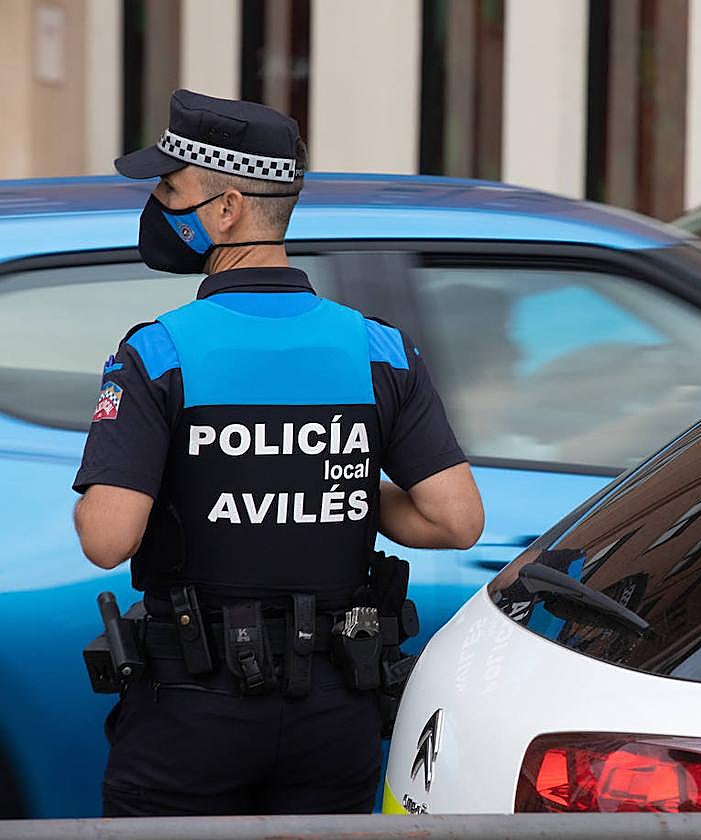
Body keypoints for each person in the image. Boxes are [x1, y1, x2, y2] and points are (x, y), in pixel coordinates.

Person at [72, 89, 483, 817]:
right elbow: (455, 521)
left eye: (171, 189)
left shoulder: (159, 352)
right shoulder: (377, 348)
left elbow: (108, 539)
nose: (158, 205)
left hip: (192, 713)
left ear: (225, 210)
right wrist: (336, 482)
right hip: (334, 711)